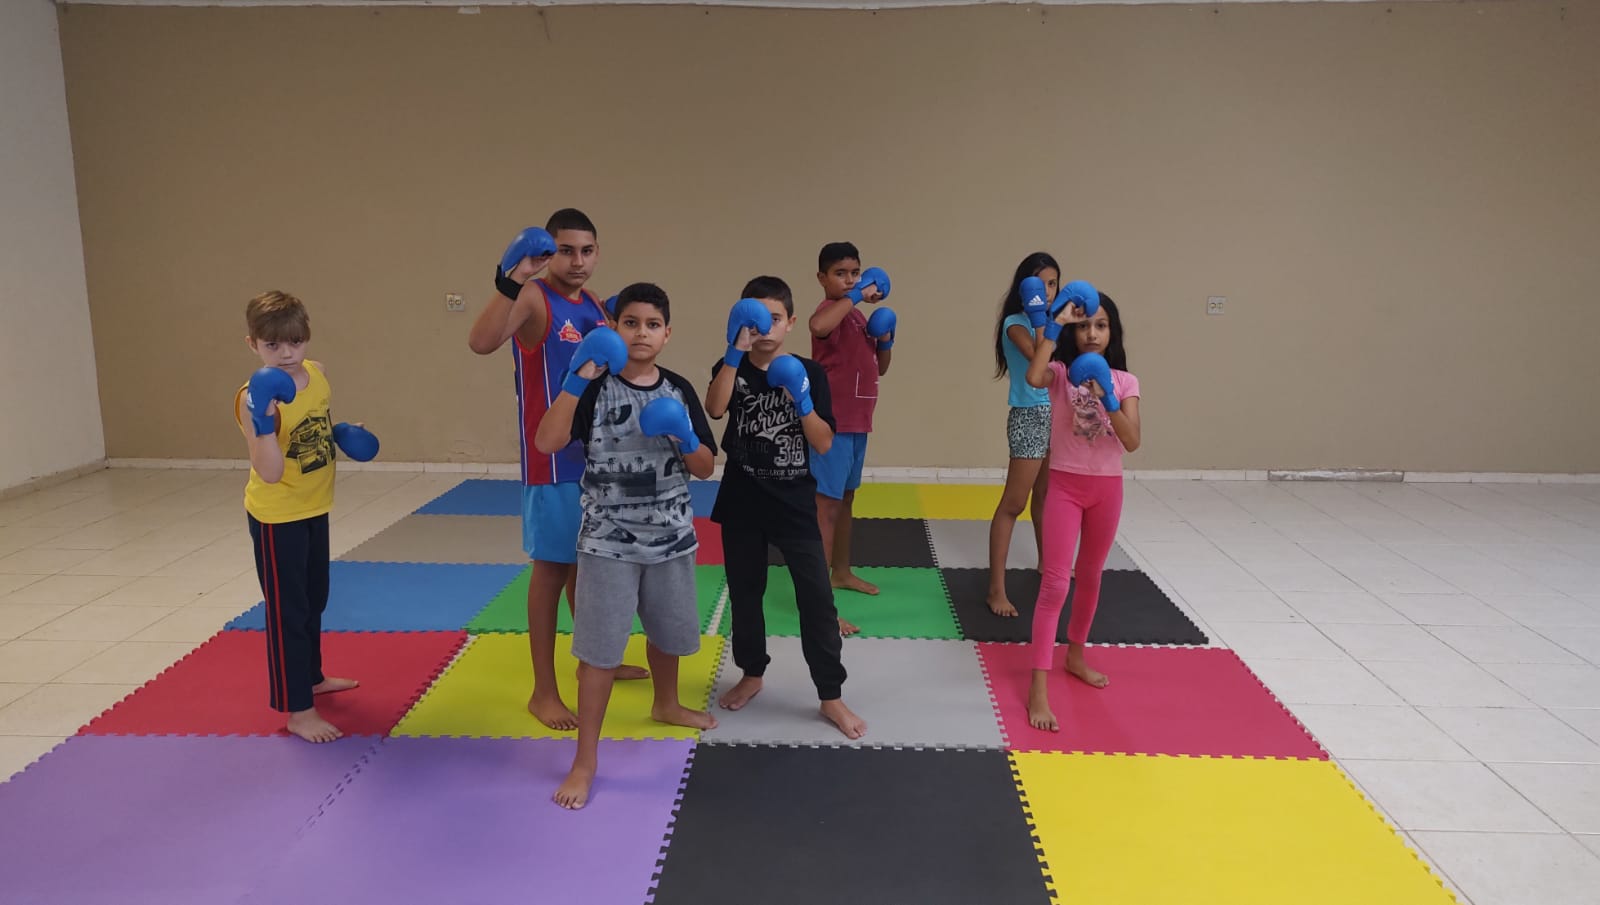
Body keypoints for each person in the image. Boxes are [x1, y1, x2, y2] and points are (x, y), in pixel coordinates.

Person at [534, 282, 719, 809]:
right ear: (613, 327)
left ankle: (667, 704)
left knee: (667, 632)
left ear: (667, 333)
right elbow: (547, 442)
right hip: (606, 542)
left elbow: (706, 468)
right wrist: (574, 380)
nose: (641, 333)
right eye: (631, 323)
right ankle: (585, 760)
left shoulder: (679, 389)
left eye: (652, 325)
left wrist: (685, 436)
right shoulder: (594, 387)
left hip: (671, 537)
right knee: (598, 653)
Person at [467, 208, 646, 732]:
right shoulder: (533, 297)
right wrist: (510, 279)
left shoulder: (594, 303)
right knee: (550, 570)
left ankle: (595, 660)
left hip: (596, 458)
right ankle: (543, 690)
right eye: (566, 251)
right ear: (548, 253)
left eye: (587, 251)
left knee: (587, 569)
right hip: (551, 461)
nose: (577, 261)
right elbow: (481, 342)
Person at [706, 277, 866, 740]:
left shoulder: (809, 372)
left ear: (791, 322)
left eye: (774, 318)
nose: (765, 328)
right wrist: (732, 353)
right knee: (745, 593)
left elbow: (824, 441)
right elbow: (715, 409)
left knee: (816, 598)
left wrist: (802, 399)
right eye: (754, 320)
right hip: (742, 499)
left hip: (794, 502)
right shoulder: (731, 365)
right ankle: (752, 672)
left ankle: (830, 694)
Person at [233, 290, 370, 743]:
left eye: (294, 341)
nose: (286, 353)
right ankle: (297, 709)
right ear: (253, 344)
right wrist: (263, 419)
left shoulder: (317, 374)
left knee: (314, 599)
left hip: (315, 506)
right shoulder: (253, 398)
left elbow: (315, 428)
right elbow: (270, 471)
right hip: (277, 516)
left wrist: (343, 434)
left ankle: (311, 677)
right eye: (272, 345)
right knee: (287, 611)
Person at [1021, 284, 1141, 732]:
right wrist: (1055, 323)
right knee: (1056, 583)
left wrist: (1107, 395)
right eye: (1085, 324)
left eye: (1101, 325)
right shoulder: (1059, 374)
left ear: (1113, 332)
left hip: (1107, 489)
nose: (1092, 333)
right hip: (1066, 487)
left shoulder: (1125, 382)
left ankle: (1075, 655)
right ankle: (1038, 685)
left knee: (1091, 576)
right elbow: (1033, 376)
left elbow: (1132, 441)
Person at [809, 242, 896, 634]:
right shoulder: (831, 311)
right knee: (825, 508)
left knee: (846, 501)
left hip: (859, 423)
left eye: (855, 273)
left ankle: (841, 571)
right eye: (840, 273)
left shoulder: (858, 318)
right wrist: (857, 294)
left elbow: (881, 367)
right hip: (834, 425)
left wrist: (887, 339)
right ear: (822, 278)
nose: (849, 280)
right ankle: (818, 602)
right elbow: (818, 327)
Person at [986, 252, 1062, 617]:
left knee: (1046, 496)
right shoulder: (1015, 324)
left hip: (1058, 416)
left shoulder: (1059, 324)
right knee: (1013, 504)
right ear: (1023, 287)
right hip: (1029, 417)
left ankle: (1047, 563)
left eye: (1052, 284)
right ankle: (995, 589)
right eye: (1039, 284)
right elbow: (1038, 361)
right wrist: (1041, 321)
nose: (1046, 292)